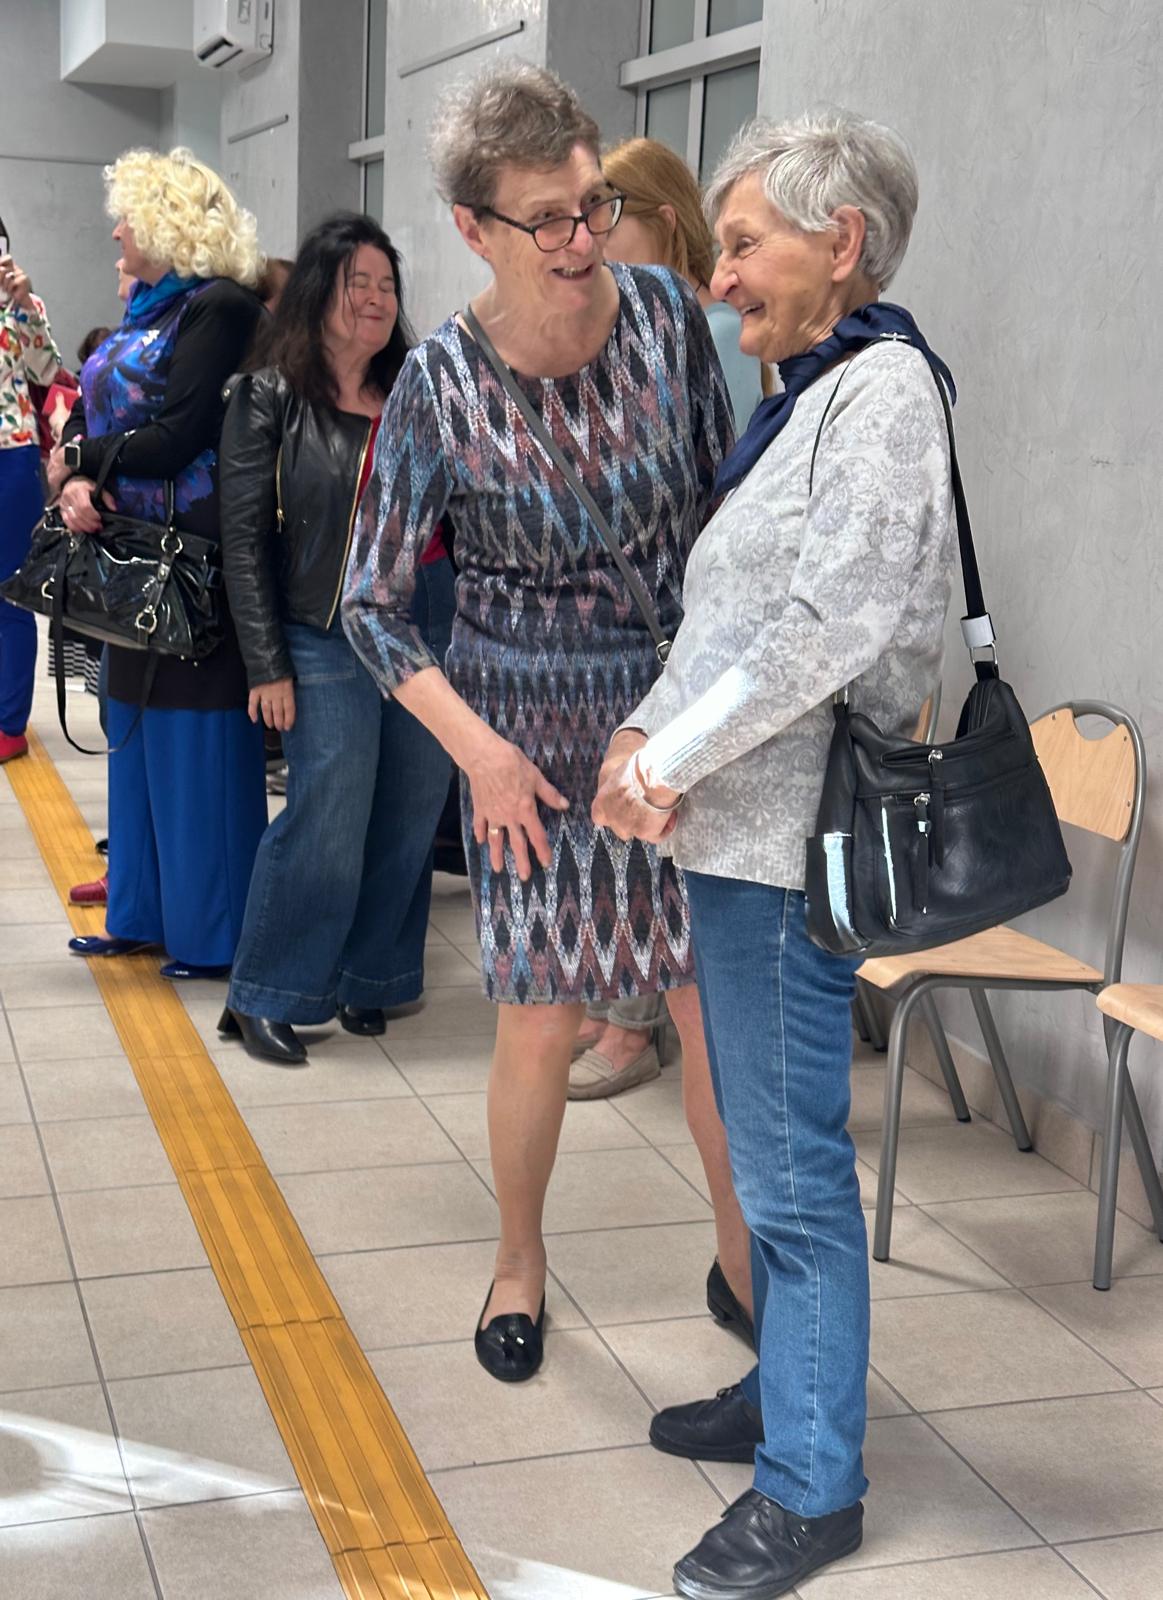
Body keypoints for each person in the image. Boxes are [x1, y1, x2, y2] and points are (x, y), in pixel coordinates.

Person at [593, 111, 956, 1598]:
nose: (717, 274)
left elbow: (832, 628)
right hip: (734, 838)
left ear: (840, 242)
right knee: (763, 1152)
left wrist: (662, 761)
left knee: (792, 1171)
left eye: (742, 243)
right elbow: (732, 620)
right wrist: (645, 730)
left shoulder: (881, 393)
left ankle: (810, 1486)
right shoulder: (808, 395)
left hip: (788, 846)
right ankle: (783, 1390)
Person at [343, 60, 734, 1383]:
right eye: (547, 219)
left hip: (668, 722)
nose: (581, 241)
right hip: (522, 747)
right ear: (472, 227)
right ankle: (518, 1260)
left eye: (592, 206)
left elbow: (722, 527)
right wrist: (481, 755)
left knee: (709, 1005)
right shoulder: (437, 386)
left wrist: (702, 716)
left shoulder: (667, 323)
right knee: (537, 1013)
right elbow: (371, 608)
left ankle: (741, 1259)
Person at [217, 213, 453, 1066]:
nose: (376, 300)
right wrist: (265, 664)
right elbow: (243, 538)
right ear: (319, 293)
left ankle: (372, 976)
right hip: (321, 624)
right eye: (359, 284)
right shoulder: (267, 396)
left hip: (425, 614)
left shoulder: (416, 392)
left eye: (387, 285)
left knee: (411, 806)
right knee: (329, 808)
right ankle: (265, 993)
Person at [55, 147, 268, 981]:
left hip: (191, 559)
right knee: (135, 738)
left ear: (165, 221)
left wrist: (82, 459)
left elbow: (180, 433)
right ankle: (141, 913)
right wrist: (80, 475)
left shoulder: (219, 307)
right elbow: (103, 414)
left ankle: (212, 935)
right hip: (130, 555)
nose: (115, 232)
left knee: (195, 748)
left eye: (127, 218)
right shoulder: (152, 306)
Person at [0, 237, 62, 763]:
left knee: (8, 591)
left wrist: (25, 305)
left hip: (10, 454)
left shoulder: (21, 304)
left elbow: (46, 372)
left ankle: (8, 724)